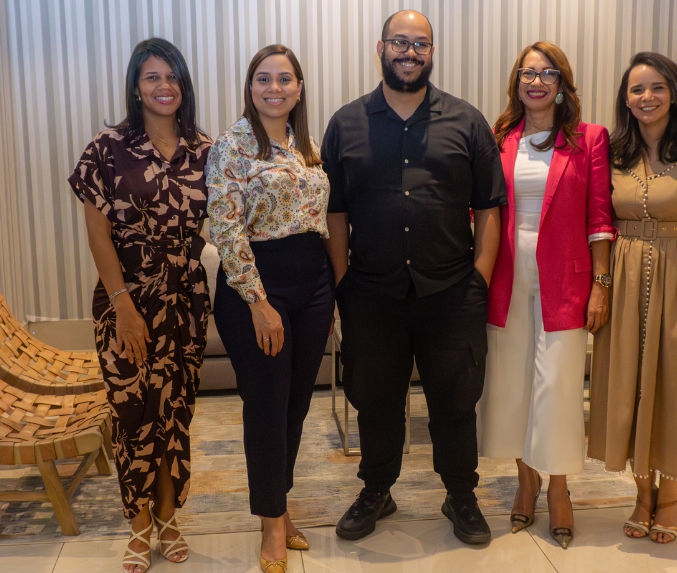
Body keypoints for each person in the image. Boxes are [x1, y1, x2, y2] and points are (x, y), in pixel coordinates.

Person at [322, 10, 506, 545]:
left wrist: (478, 281)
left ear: (432, 52)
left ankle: (461, 495)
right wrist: (343, 284)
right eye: (400, 42)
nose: (409, 52)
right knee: (375, 400)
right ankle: (376, 490)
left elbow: (488, 208)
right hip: (371, 292)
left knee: (456, 401)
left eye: (420, 43)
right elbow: (335, 212)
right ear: (380, 48)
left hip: (451, 291)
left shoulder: (467, 122)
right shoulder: (346, 124)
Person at [68, 38, 211, 573]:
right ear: (135, 87)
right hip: (125, 299)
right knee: (133, 416)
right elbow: (98, 235)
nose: (163, 86)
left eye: (172, 76)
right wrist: (124, 306)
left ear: (184, 85)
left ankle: (168, 518)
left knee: (175, 413)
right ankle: (138, 525)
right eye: (152, 77)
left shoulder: (204, 150)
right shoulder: (106, 148)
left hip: (187, 301)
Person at [587, 51, 677, 544]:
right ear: (625, 100)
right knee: (629, 385)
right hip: (625, 279)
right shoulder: (614, 152)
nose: (646, 97)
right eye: (637, 89)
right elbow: (598, 222)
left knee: (676, 384)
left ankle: (669, 495)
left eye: (657, 87)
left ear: (674, 93)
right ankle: (641, 493)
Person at [477, 42, 613, 550]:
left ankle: (558, 487)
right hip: (507, 276)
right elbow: (481, 210)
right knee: (510, 383)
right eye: (527, 73)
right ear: (516, 82)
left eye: (547, 73)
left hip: (566, 280)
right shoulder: (498, 138)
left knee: (556, 386)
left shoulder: (588, 139)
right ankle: (525, 480)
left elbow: (599, 217)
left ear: (562, 84)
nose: (536, 81)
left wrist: (601, 284)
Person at [206, 44, 334, 573]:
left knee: (296, 404)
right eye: (264, 78)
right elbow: (226, 228)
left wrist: (331, 288)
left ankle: (278, 506)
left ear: (299, 89)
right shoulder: (231, 145)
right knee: (266, 405)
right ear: (250, 87)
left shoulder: (307, 144)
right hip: (256, 288)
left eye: (284, 79)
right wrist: (259, 303)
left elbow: (321, 219)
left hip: (313, 282)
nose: (274, 88)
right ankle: (271, 525)